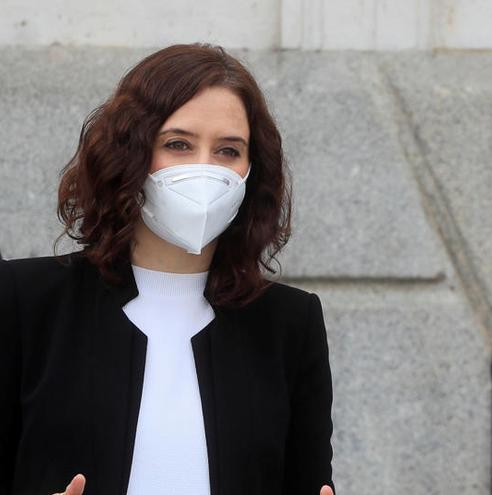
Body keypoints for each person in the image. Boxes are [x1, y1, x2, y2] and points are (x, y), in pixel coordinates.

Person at [0, 44, 335, 495]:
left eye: (228, 151)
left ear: (252, 170)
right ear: (130, 153)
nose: (205, 169)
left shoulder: (289, 324)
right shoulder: (26, 301)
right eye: (178, 144)